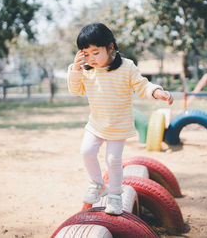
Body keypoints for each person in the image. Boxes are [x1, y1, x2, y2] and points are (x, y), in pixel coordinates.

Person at [67, 23, 173, 215]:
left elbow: (142, 86)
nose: (91, 58)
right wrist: (75, 69)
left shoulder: (126, 67)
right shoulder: (87, 70)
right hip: (96, 123)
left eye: (95, 52)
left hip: (118, 124)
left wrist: (157, 92)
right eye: (86, 54)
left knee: (113, 160)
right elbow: (76, 91)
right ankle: (98, 184)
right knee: (86, 151)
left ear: (110, 47)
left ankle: (115, 197)